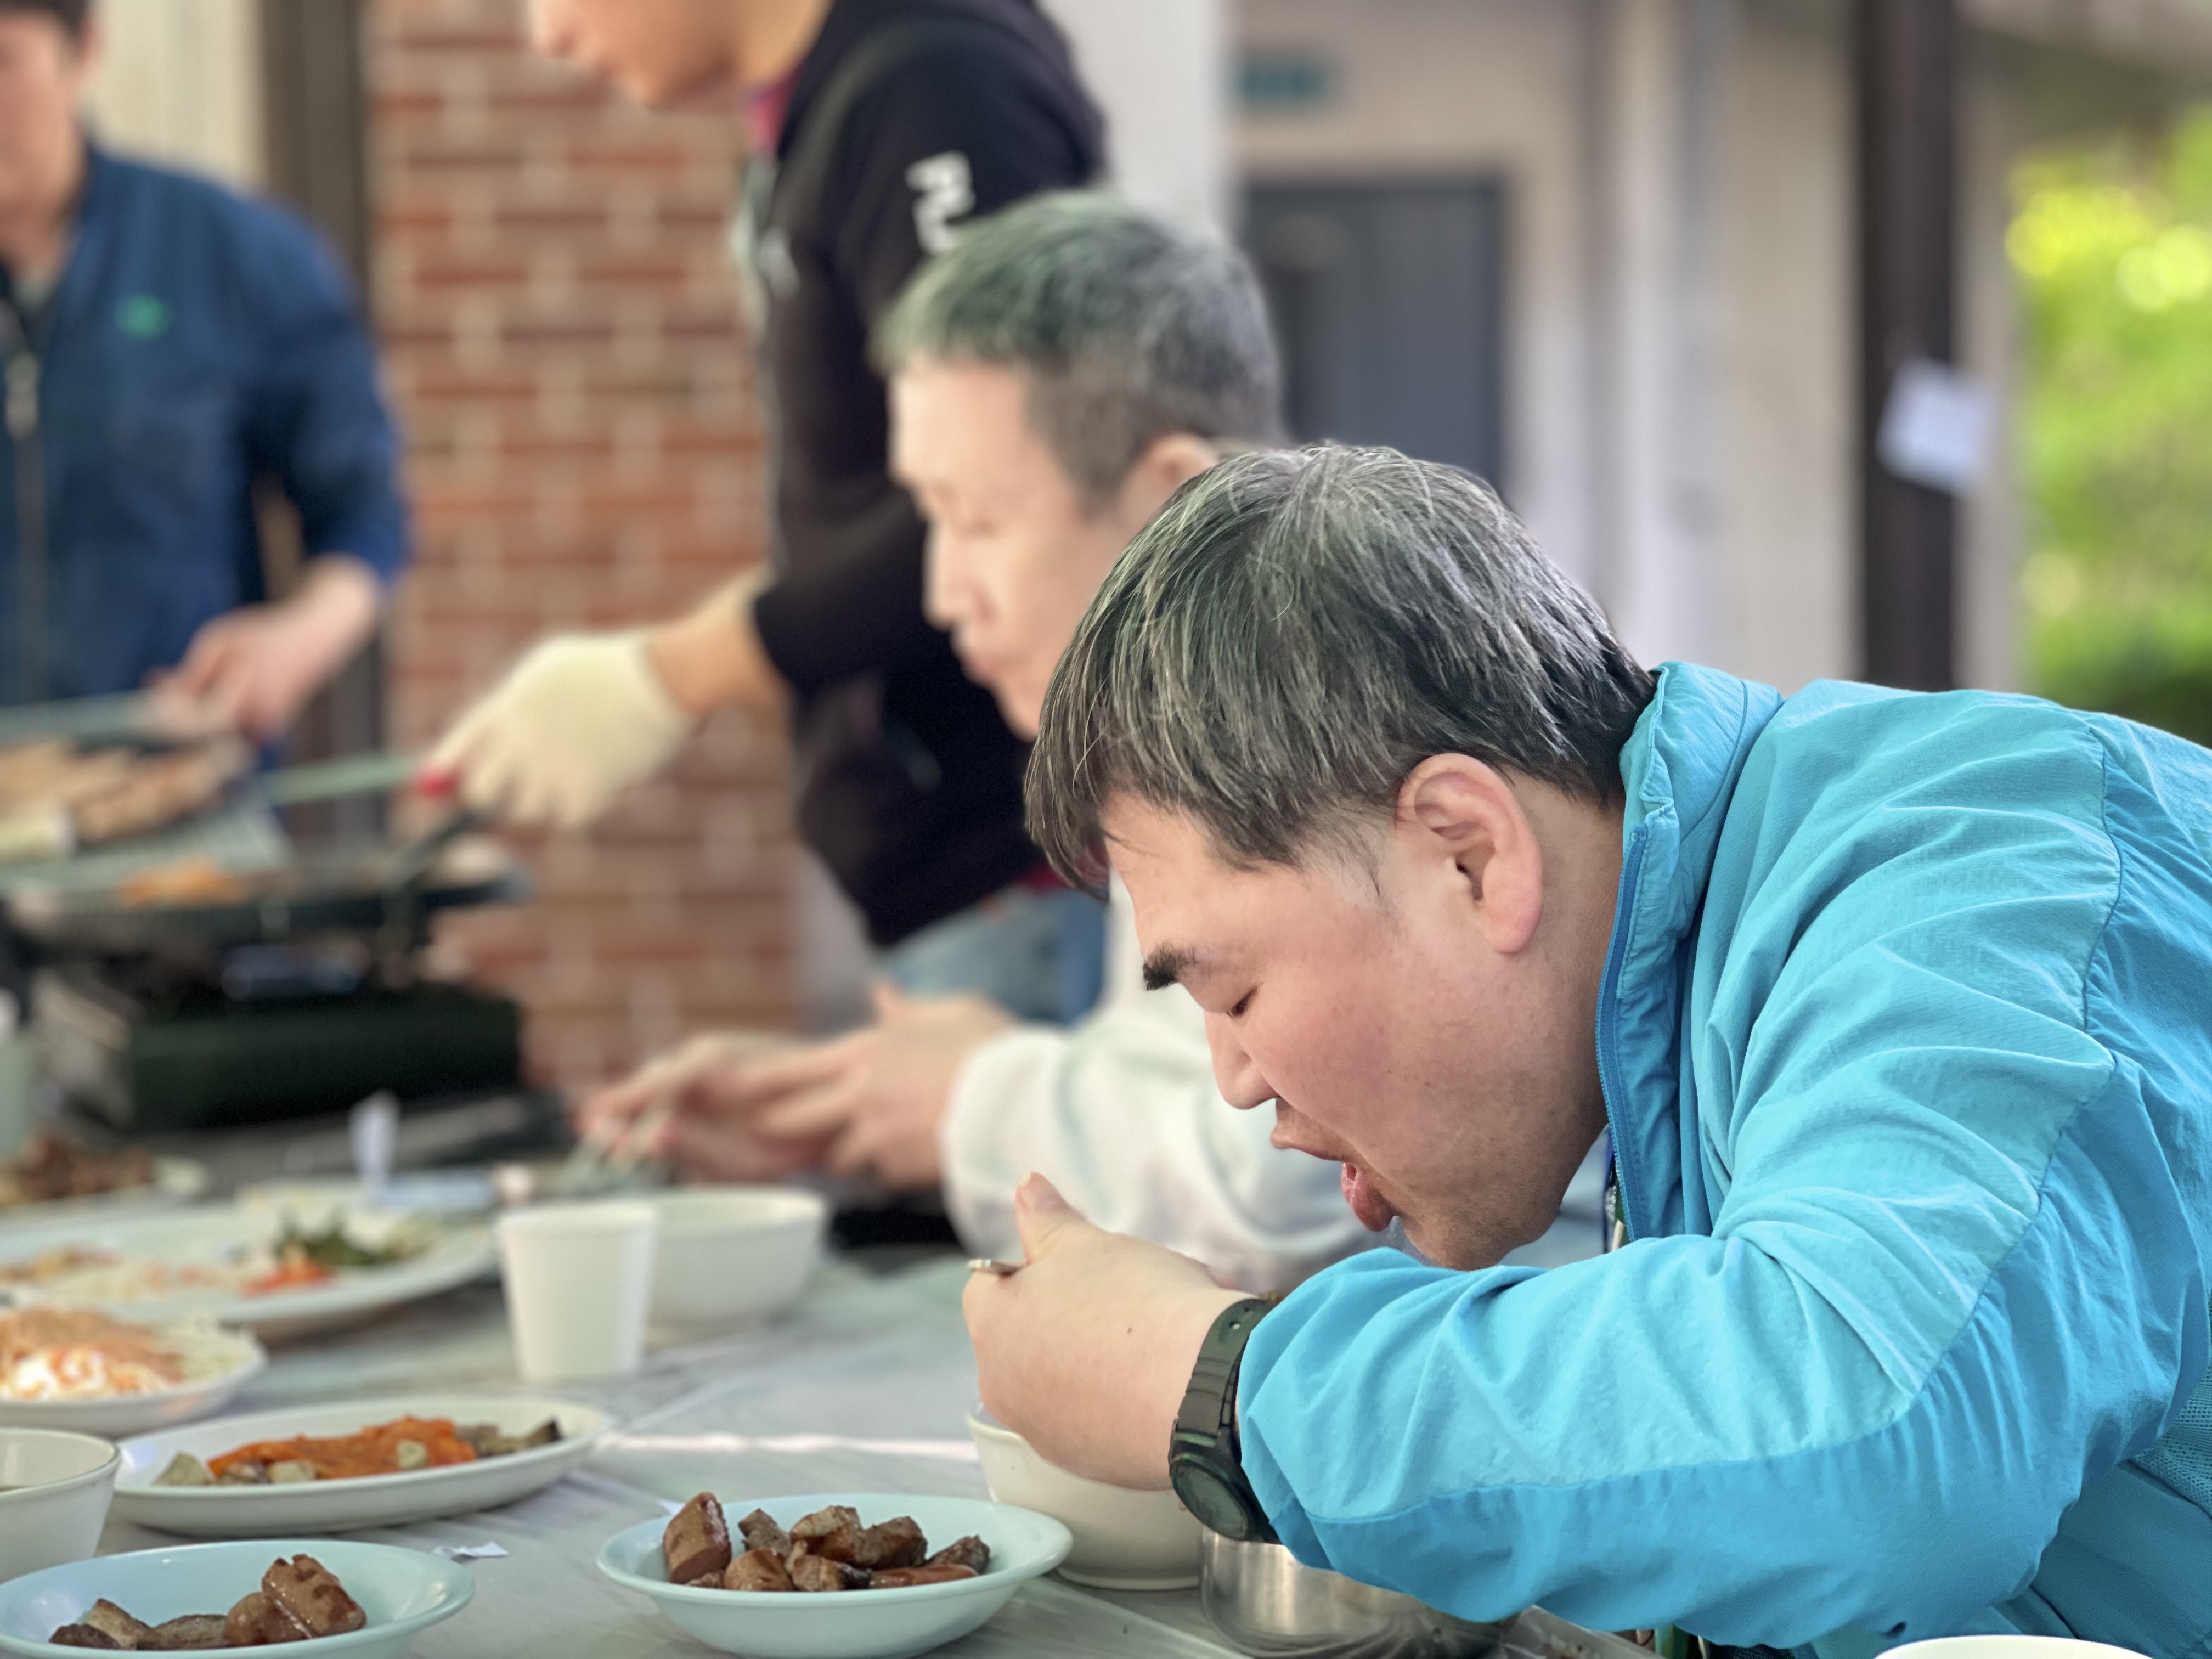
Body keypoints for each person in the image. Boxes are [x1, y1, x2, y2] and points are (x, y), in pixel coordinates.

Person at [964, 445, 2212, 1658]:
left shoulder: (1984, 864)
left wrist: (1215, 1385)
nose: (1234, 1081)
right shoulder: (1685, 998)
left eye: (1232, 992)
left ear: (1469, 854)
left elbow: (1884, 1442)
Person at [580, 193, 1370, 1290]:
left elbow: (1289, 1190)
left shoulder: (1319, 733)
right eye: (932, 521)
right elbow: (1181, 1082)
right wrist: (857, 1096)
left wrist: (972, 1098)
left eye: (982, 521)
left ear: (1173, 506)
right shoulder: (1170, 741)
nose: (945, 597)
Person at [429, 0, 1108, 1024]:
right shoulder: (832, 100)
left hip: (1010, 868)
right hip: (951, 885)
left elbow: (1006, 497)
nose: (549, 36)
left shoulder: (933, 86)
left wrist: (672, 675)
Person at [0, 0, 405, 735]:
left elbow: (363, 512)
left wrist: (298, 639)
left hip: (171, 769)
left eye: (3, 63)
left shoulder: (236, 254)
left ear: (84, 52)